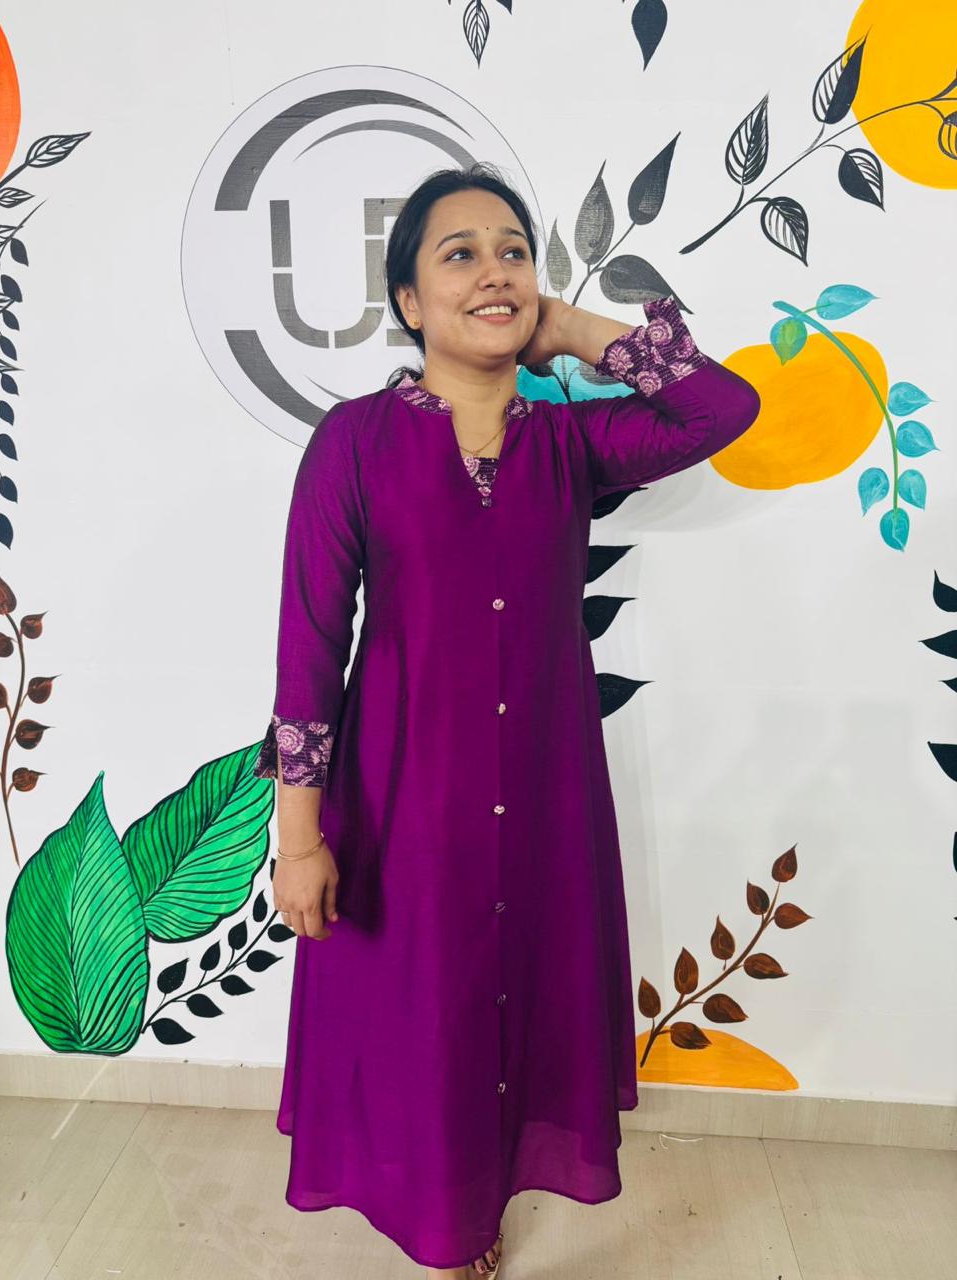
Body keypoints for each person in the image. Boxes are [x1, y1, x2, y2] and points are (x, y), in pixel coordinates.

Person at [253, 161, 761, 1278]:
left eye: (513, 253)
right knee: (426, 1019)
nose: (494, 272)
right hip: (404, 795)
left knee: (521, 1000)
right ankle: (447, 1229)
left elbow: (723, 408)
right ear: (408, 300)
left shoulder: (570, 446)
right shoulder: (355, 443)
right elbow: (310, 646)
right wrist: (299, 836)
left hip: (542, 791)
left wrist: (569, 327)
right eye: (461, 254)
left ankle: (481, 1212)